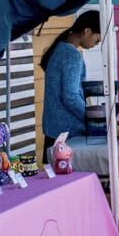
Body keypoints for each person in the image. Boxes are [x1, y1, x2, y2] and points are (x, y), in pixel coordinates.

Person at [41, 10, 101, 157]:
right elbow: (71, 97)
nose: (97, 44)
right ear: (87, 31)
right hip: (68, 134)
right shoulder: (72, 55)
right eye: (97, 39)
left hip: (53, 130)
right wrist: (92, 117)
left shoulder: (59, 48)